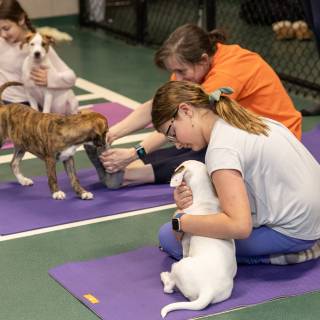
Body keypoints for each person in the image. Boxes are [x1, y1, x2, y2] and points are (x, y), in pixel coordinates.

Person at [97, 23, 302, 189]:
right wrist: (110, 134)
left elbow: (174, 121)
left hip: (274, 142)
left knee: (201, 151)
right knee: (185, 142)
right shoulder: (195, 67)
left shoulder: (228, 72)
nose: (177, 78)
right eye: (173, 72)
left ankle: (133, 174)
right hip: (242, 131)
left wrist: (135, 153)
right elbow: (158, 106)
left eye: (181, 71)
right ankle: (128, 170)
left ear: (203, 60)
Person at [151, 80, 320, 265]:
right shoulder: (247, 121)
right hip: (310, 219)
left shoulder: (221, 149)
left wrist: (181, 220)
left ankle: (281, 256)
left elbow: (239, 226)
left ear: (186, 110)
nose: (176, 143)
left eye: (172, 132)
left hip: (298, 234)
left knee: (169, 237)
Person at [0, 0, 76, 105]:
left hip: (28, 106)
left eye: (6, 28)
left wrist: (51, 79)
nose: (3, 35)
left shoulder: (37, 46)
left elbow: (71, 78)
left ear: (21, 19)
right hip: (4, 103)